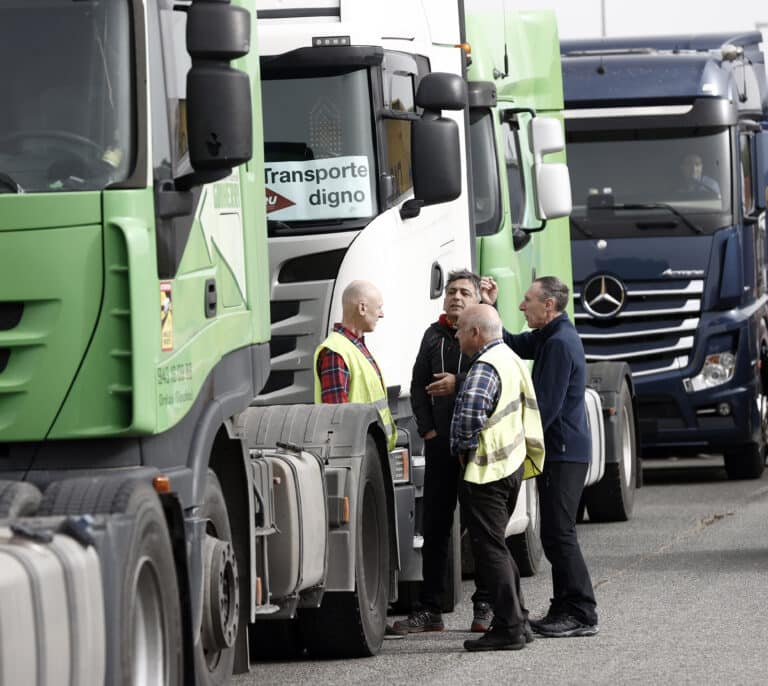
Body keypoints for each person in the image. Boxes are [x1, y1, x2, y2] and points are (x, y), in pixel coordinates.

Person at [481, 275, 599, 638]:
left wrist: (510, 441)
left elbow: (545, 408)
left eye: (527, 301)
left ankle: (581, 611)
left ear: (548, 305)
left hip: (564, 452)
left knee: (560, 534)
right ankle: (564, 606)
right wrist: (491, 305)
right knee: (554, 533)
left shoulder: (561, 343)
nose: (522, 306)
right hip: (561, 451)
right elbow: (511, 343)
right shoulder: (551, 337)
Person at [391, 270, 494, 635]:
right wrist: (428, 430)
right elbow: (418, 384)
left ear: (477, 300)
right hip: (440, 448)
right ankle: (429, 610)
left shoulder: (485, 335)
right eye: (451, 291)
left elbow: (497, 375)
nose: (455, 297)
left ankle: (485, 606)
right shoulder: (433, 336)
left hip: (477, 450)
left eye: (464, 292)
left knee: (481, 528)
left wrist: (458, 382)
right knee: (435, 528)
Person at [452, 304, 545, 652]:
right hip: (511, 465)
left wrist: (461, 448)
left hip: (486, 469)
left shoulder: (485, 366)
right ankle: (518, 619)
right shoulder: (510, 358)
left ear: (476, 332)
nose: (457, 335)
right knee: (498, 546)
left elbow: (469, 415)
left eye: (461, 329)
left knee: (489, 549)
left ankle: (509, 627)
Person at [313, 279, 395, 451]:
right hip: (357, 455)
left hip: (370, 452)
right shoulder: (336, 352)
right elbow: (336, 418)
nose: (382, 314)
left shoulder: (353, 347)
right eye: (379, 307)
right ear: (362, 308)